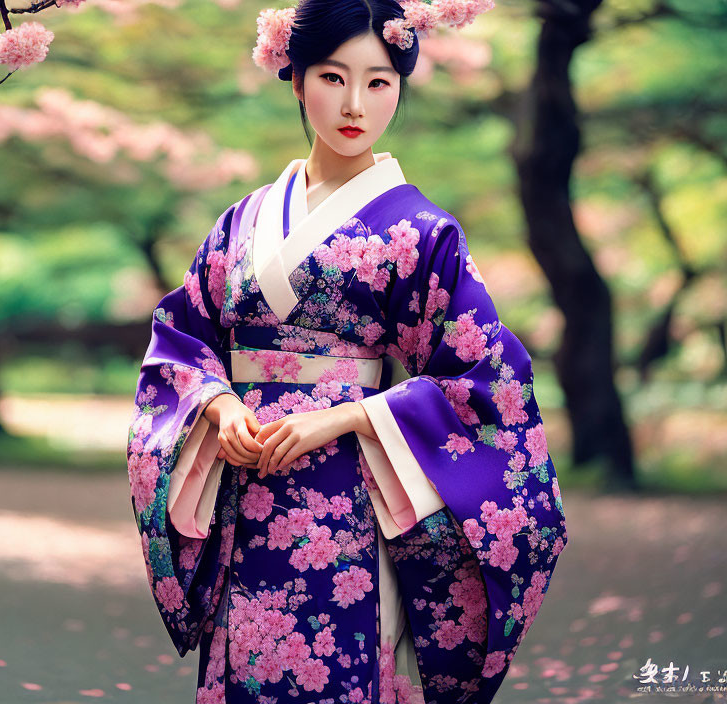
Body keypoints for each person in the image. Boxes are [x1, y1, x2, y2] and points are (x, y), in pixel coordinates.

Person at [126, 0, 568, 701]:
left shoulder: (423, 231)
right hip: (248, 487)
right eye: (333, 78)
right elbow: (183, 334)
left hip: (349, 502)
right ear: (295, 78)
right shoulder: (242, 221)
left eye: (379, 82)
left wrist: (343, 417)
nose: (355, 104)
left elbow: (484, 380)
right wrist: (215, 404)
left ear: (400, 87)